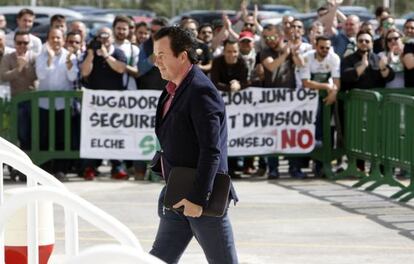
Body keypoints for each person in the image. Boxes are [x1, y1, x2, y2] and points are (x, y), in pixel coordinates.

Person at [149, 26, 238, 264]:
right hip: (177, 193)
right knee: (158, 260)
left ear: (182, 55)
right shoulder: (171, 90)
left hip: (201, 198)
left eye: (161, 55)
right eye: (154, 55)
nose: (156, 62)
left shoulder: (201, 91)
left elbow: (211, 151)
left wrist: (198, 199)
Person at [81, 26, 128, 180]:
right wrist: (90, 54)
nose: (104, 40)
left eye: (107, 37)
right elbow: (85, 72)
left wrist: (106, 55)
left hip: (115, 104)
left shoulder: (118, 52)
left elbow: (121, 69)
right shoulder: (91, 53)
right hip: (95, 104)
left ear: (112, 37)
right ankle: (90, 166)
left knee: (115, 134)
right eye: (101, 37)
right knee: (94, 135)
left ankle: (117, 166)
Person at [35, 28, 79, 181]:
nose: (55, 41)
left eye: (58, 38)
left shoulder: (69, 56)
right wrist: (50, 59)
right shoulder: (41, 55)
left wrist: (68, 63)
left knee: (62, 138)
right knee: (44, 138)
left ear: (63, 39)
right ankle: (44, 171)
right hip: (44, 104)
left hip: (63, 105)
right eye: (52, 38)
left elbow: (73, 76)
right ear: (48, 39)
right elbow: (41, 75)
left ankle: (61, 170)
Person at [0, 30, 37, 151]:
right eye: (19, 42)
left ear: (29, 43)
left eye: (25, 43)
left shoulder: (34, 56)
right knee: (20, 132)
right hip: (15, 101)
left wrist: (26, 65)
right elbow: (4, 76)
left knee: (34, 132)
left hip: (33, 100)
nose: (22, 46)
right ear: (15, 43)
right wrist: (19, 68)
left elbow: (36, 77)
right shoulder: (8, 57)